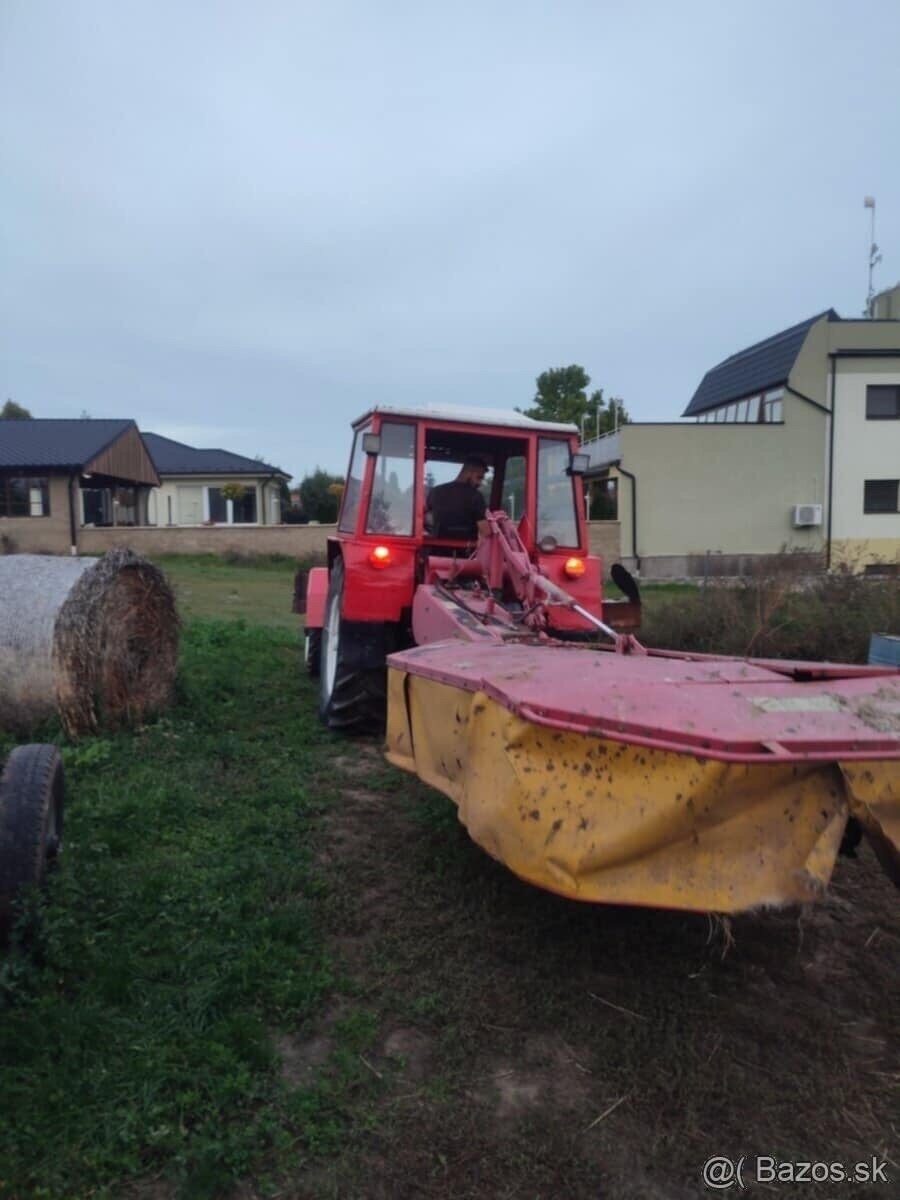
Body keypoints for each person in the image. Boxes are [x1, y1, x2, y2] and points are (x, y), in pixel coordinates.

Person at [425, 456, 488, 538]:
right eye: (479, 478)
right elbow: (485, 531)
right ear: (469, 472)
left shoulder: (435, 491)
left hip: (437, 547)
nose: (480, 483)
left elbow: (423, 518)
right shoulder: (476, 496)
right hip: (466, 548)